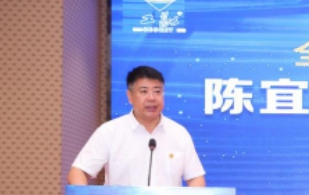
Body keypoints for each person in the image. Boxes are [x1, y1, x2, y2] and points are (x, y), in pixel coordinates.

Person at [67, 66, 206, 187]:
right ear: (130, 96)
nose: (151, 98)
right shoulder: (110, 131)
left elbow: (195, 178)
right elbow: (78, 172)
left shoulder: (179, 133)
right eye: (144, 91)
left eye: (157, 91)